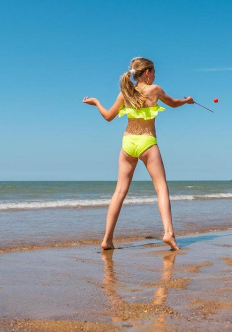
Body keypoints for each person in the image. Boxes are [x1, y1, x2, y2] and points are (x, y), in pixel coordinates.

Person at [83, 57, 193, 251]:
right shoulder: (155, 90)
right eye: (154, 71)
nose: (155, 75)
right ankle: (168, 233)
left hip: (127, 144)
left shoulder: (125, 93)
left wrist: (96, 102)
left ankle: (107, 239)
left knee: (119, 192)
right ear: (147, 73)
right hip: (147, 142)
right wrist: (187, 101)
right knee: (161, 189)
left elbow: (108, 117)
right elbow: (174, 103)